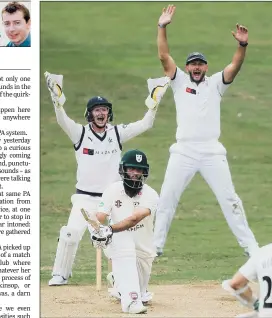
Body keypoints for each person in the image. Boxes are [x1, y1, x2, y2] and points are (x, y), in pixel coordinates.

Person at [152, 4, 259, 258]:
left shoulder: (216, 84)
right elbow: (163, 57)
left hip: (212, 151)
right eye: (193, 65)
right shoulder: (178, 82)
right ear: (188, 68)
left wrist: (242, 45)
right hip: (184, 151)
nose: (196, 68)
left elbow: (235, 65)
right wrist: (162, 27)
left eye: (200, 64)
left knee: (230, 200)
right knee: (167, 199)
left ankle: (251, 248)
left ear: (206, 67)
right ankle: (155, 248)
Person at [44, 71, 168, 286]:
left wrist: (154, 104)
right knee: (70, 234)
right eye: (97, 110)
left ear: (109, 114)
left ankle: (118, 278)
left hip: (112, 198)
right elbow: (61, 119)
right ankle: (60, 273)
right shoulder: (79, 134)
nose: (101, 113)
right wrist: (57, 100)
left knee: (116, 240)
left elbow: (145, 124)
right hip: (84, 198)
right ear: (89, 114)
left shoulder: (117, 133)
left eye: (104, 110)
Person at [87, 149, 159, 314]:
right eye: (131, 169)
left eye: (138, 169)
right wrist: (95, 229)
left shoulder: (151, 195)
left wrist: (109, 228)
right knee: (123, 241)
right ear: (123, 169)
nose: (134, 173)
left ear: (144, 172)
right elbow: (100, 217)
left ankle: (119, 282)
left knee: (141, 290)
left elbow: (135, 218)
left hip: (143, 249)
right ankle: (131, 303)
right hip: (117, 242)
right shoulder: (112, 190)